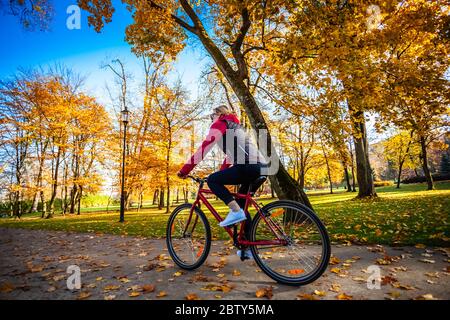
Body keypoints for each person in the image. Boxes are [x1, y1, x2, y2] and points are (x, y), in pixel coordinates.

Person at [177, 105, 267, 259]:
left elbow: (203, 149)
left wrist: (184, 170)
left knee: (213, 180)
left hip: (248, 166)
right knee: (241, 203)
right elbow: (230, 156)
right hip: (262, 167)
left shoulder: (220, 123)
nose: (210, 118)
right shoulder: (236, 127)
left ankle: (235, 211)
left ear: (218, 113)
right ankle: (248, 247)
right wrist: (221, 173)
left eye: (212, 115)